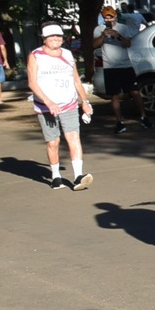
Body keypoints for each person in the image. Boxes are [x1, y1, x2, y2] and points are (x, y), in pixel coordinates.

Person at [27, 23, 95, 189]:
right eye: (52, 37)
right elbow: (32, 83)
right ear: (44, 38)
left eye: (59, 36)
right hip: (45, 107)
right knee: (53, 142)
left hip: (69, 103)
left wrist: (85, 102)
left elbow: (76, 79)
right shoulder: (36, 56)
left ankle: (78, 176)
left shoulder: (67, 54)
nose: (56, 39)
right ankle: (56, 176)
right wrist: (48, 102)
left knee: (73, 137)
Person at [93, 2, 147, 133]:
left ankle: (144, 116)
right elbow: (94, 45)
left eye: (111, 17)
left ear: (115, 16)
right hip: (110, 67)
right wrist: (103, 35)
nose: (109, 20)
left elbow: (128, 43)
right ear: (103, 17)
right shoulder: (98, 29)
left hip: (125, 65)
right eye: (106, 17)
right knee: (114, 95)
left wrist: (119, 36)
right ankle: (119, 121)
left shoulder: (123, 28)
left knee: (134, 91)